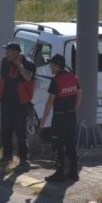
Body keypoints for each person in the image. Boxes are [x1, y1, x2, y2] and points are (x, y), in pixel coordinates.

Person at [0, 42, 36, 170]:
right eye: (7, 51)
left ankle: (24, 158)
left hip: (21, 104)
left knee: (20, 132)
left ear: (16, 52)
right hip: (6, 102)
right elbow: (2, 80)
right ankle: (7, 155)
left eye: (9, 51)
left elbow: (28, 78)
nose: (6, 53)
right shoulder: (5, 62)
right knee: (5, 131)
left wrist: (20, 66)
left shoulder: (29, 63)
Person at [40, 54, 82, 183]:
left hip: (59, 118)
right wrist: (74, 109)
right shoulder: (73, 76)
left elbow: (50, 101)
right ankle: (74, 172)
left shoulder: (56, 80)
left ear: (57, 66)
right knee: (71, 145)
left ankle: (59, 173)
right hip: (71, 116)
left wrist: (43, 119)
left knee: (58, 146)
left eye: (51, 65)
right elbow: (80, 94)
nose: (50, 67)